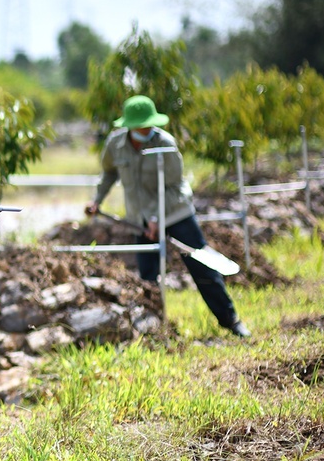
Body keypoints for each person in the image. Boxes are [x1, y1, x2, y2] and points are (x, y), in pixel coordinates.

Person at [85, 94, 250, 338]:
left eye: (149, 125)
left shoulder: (166, 144)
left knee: (202, 267)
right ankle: (154, 330)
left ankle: (231, 321)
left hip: (175, 213)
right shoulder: (115, 145)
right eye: (140, 126)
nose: (146, 130)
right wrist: (97, 200)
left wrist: (157, 218)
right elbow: (109, 173)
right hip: (140, 220)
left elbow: (175, 186)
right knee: (148, 277)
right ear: (129, 126)